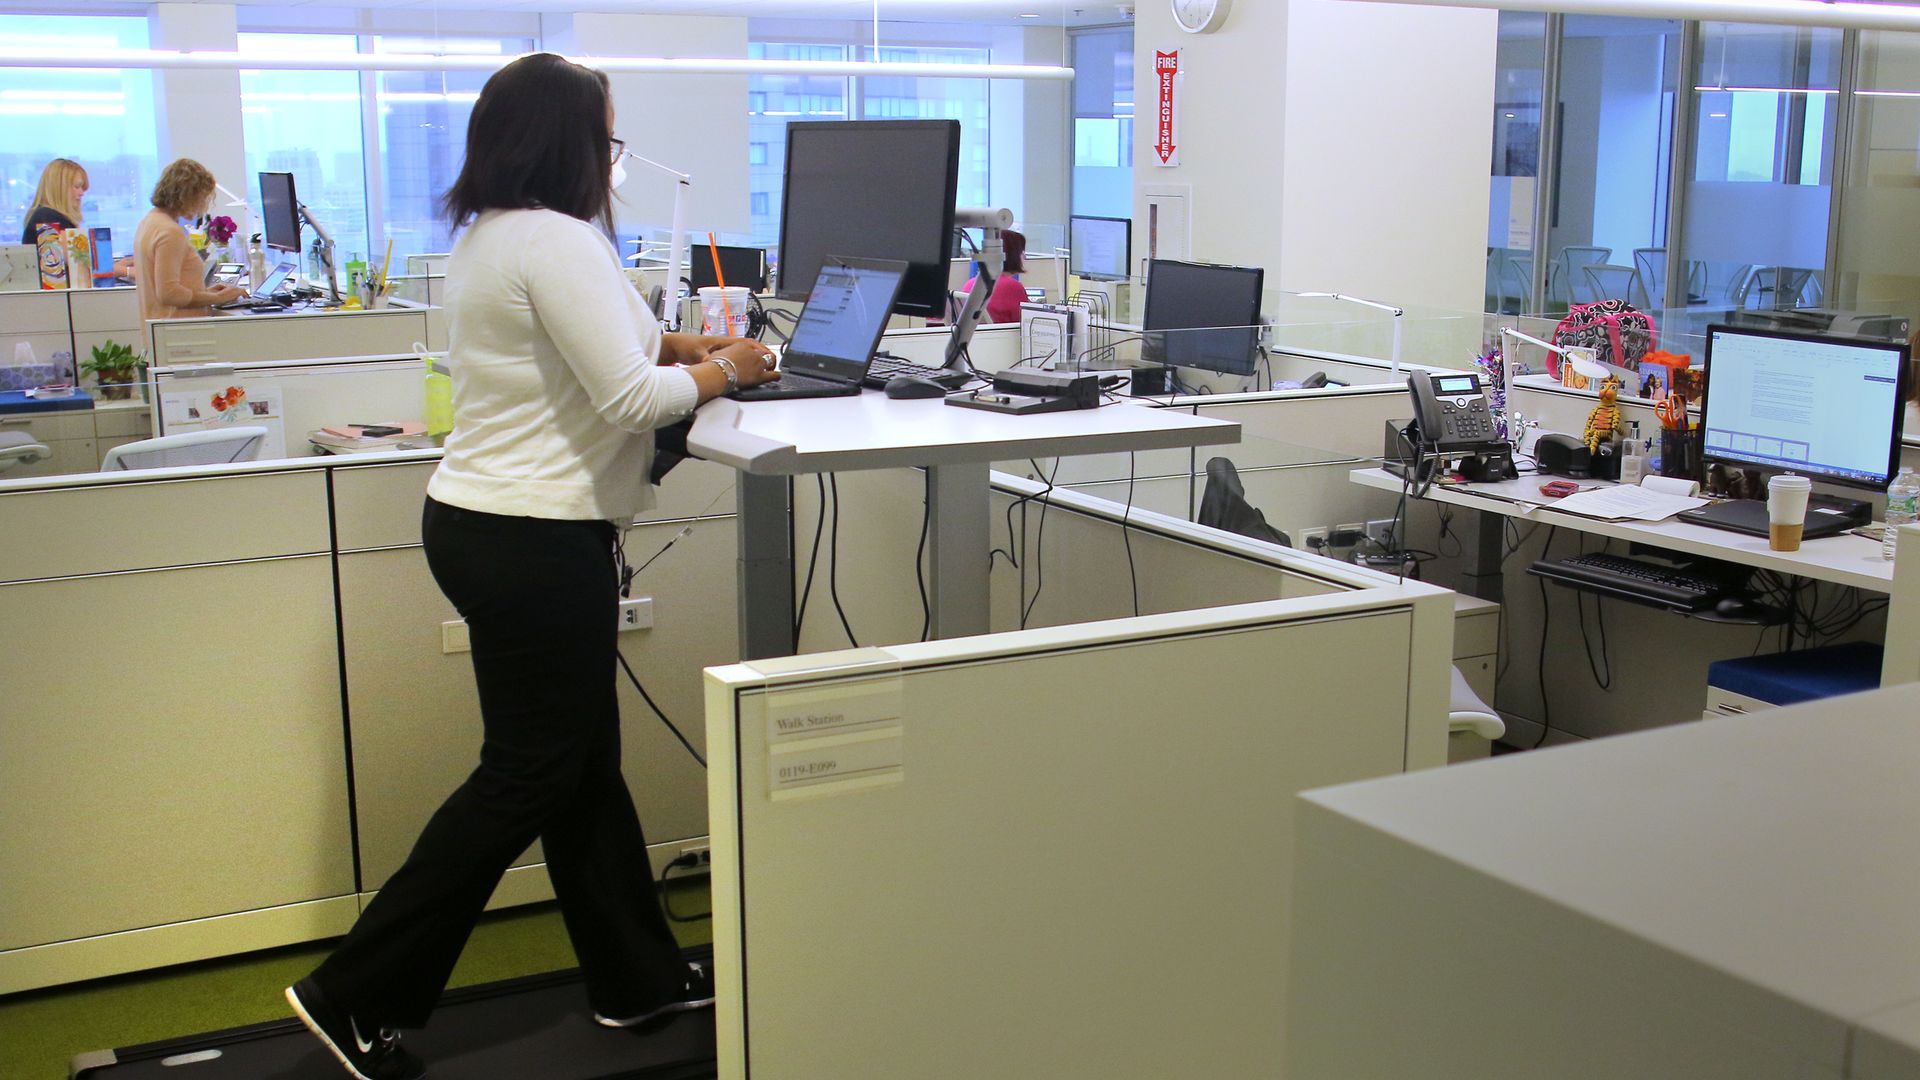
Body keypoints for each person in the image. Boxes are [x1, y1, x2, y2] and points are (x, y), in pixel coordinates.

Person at [283, 53, 779, 1080]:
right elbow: (632, 400)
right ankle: (353, 991)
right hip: (531, 537)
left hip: (487, 524)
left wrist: (687, 344)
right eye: (606, 136)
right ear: (570, 143)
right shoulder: (557, 241)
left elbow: (613, 349)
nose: (614, 155)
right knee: (530, 771)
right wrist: (733, 366)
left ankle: (634, 980)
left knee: (579, 763)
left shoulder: (497, 235)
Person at [134, 159, 246, 320]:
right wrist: (218, 298)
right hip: (178, 328)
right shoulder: (169, 232)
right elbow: (169, 294)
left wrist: (205, 293)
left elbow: (166, 286)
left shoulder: (149, 222)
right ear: (189, 194)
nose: (203, 204)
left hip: (161, 325)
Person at [962, 227, 1031, 325]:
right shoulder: (1013, 287)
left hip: (978, 338)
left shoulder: (971, 283)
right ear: (1013, 255)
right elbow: (1026, 323)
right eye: (1022, 252)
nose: (1024, 257)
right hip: (1001, 338)